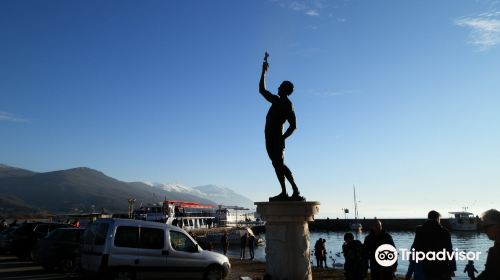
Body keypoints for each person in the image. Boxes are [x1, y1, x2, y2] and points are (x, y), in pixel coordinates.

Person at [259, 52, 304, 201]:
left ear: (285, 89)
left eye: (280, 86)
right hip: (270, 138)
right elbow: (262, 91)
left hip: (276, 139)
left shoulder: (286, 104)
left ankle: (294, 190)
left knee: (279, 164)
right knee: (277, 165)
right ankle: (285, 191)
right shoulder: (277, 101)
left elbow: (294, 125)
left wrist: (282, 137)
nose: (277, 87)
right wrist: (263, 72)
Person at [412, 210, 456, 280]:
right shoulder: (444, 232)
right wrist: (452, 268)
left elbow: (416, 248)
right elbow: (449, 251)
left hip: (426, 265)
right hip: (442, 265)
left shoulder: (420, 231)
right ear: (438, 219)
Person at [476, 209, 500, 280]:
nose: (484, 231)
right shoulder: (493, 250)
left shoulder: (494, 251)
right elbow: (488, 273)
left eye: (486, 227)